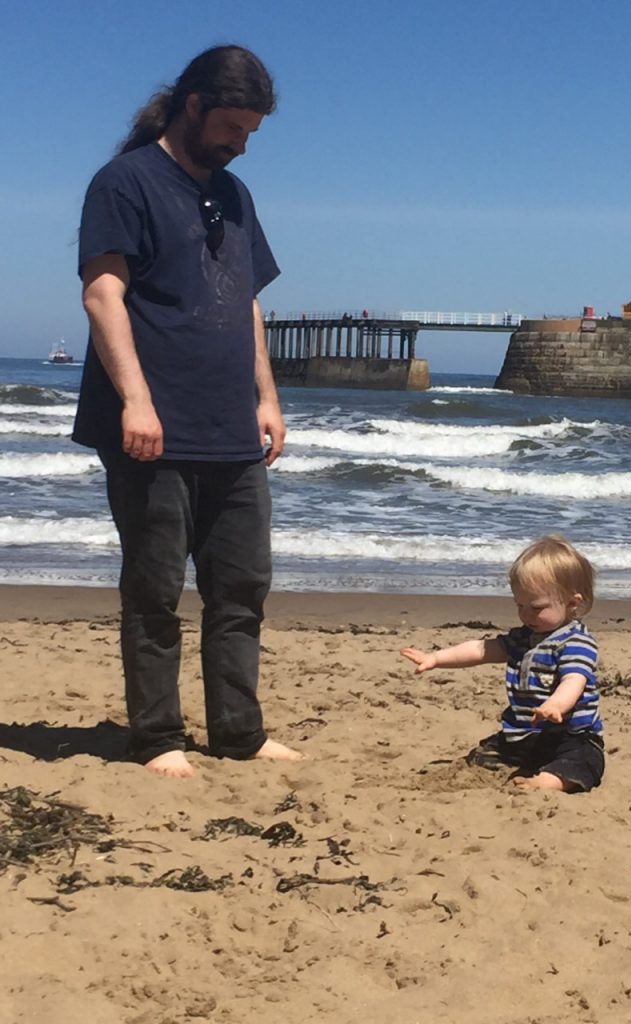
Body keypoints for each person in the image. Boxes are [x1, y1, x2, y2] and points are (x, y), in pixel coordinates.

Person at [72, 45, 302, 777]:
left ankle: (238, 732)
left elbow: (249, 303)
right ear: (194, 105)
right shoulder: (125, 182)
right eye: (233, 128)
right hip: (151, 429)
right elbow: (103, 293)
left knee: (241, 589)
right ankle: (159, 738)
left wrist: (267, 398)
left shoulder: (235, 195)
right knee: (156, 590)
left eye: (251, 134)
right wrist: (135, 402)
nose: (240, 145)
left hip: (232, 427)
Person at [400, 535, 604, 792]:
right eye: (519, 605)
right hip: (527, 734)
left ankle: (549, 782)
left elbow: (574, 679)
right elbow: (481, 649)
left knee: (582, 761)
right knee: (485, 754)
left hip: (571, 735)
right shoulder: (522, 638)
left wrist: (556, 705)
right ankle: (532, 767)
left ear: (572, 603)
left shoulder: (575, 642)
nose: (525, 615)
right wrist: (437, 658)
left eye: (536, 607)